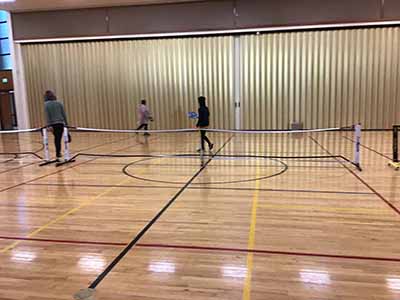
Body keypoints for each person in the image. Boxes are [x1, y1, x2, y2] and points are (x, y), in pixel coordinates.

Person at [44, 90, 68, 161]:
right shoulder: (59, 103)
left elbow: (47, 115)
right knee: (58, 138)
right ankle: (58, 152)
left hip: (53, 124)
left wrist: (48, 125)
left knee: (57, 138)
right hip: (60, 123)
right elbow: (63, 114)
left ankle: (58, 152)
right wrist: (66, 124)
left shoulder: (46, 104)